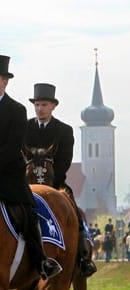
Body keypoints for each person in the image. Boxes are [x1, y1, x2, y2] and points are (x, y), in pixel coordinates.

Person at [24, 82, 97, 277]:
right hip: (27, 184)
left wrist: (50, 186)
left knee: (75, 212)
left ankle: (83, 257)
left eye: (44, 105)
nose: (40, 109)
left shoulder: (64, 131)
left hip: (55, 184)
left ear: (53, 106)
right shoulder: (25, 128)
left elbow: (64, 161)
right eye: (37, 105)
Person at [0, 55, 62, 279]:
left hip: (7, 177)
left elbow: (10, 148)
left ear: (5, 82)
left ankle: (41, 261)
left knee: (27, 214)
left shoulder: (16, 110)